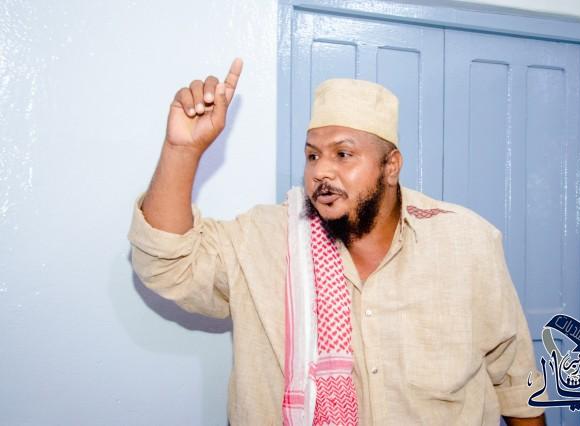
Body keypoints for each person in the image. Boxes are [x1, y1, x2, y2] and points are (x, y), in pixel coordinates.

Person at [127, 58, 547, 425]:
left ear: (391, 166)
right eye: (313, 155)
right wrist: (181, 150)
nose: (321, 172)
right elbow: (167, 264)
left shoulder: (466, 242)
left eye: (343, 154)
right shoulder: (264, 240)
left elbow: (516, 381)